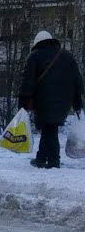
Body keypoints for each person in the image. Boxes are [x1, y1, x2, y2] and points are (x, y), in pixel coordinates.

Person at [19, 30, 84, 169]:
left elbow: (28, 82)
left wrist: (23, 103)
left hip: (43, 100)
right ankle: (41, 158)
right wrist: (77, 103)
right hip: (64, 103)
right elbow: (78, 81)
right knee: (50, 128)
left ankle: (53, 161)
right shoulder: (68, 56)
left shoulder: (35, 56)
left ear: (37, 43)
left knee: (49, 128)